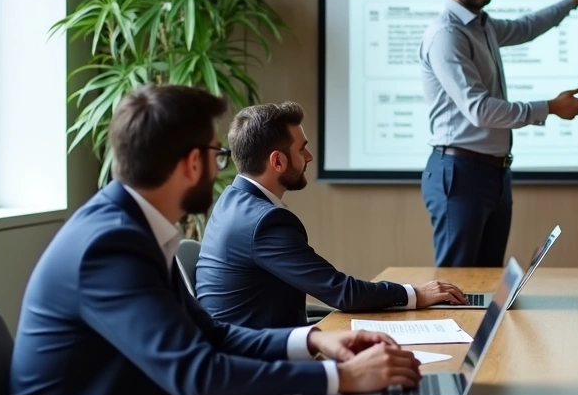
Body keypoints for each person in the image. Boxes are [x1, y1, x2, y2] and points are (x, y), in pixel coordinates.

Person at [1, 86, 421, 395]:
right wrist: (343, 377)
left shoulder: (129, 228)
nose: (223, 167)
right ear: (191, 164)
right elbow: (198, 375)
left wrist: (316, 340)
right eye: (217, 154)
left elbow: (212, 333)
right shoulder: (108, 246)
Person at [198, 102, 468, 328]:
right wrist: (416, 294)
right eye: (302, 148)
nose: (310, 156)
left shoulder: (230, 202)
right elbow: (342, 292)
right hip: (257, 364)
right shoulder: (264, 222)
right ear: (277, 161)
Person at [420, 0, 578, 267]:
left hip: (493, 172)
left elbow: (525, 28)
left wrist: (572, 1)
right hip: (460, 172)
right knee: (457, 283)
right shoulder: (447, 35)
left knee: (487, 281)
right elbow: (479, 109)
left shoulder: (482, 25)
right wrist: (549, 107)